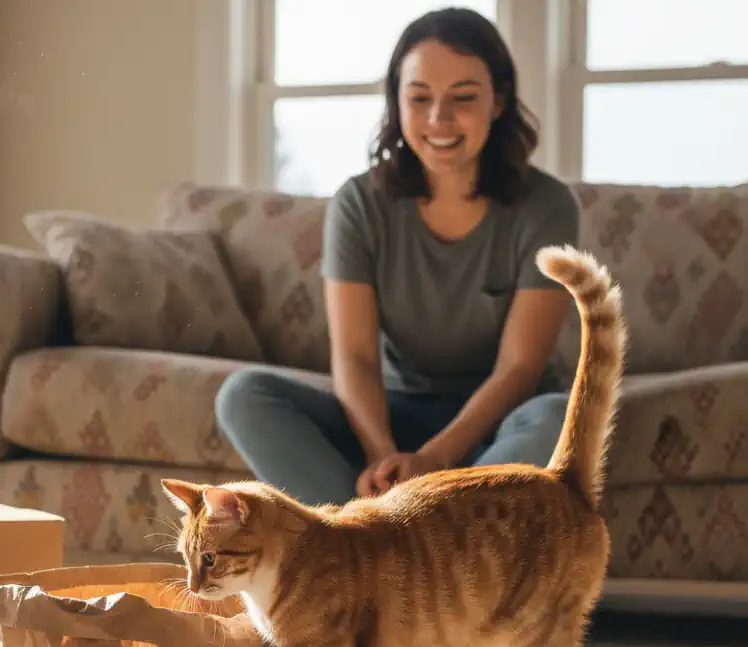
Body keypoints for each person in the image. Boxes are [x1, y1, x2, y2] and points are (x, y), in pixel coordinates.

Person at [215, 6, 580, 508]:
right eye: (419, 98)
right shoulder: (359, 204)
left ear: (498, 100)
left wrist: (432, 462)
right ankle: (361, 538)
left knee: (560, 414)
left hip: (499, 427)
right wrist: (384, 459)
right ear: (396, 103)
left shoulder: (548, 206)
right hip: (394, 416)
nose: (439, 119)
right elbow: (356, 358)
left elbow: (518, 370)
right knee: (244, 395)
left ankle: (436, 537)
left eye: (463, 98)